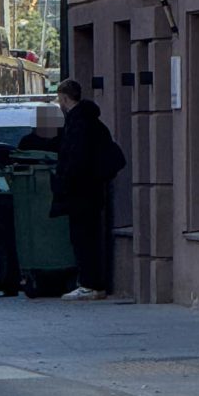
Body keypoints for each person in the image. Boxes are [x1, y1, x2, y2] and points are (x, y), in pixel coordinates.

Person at [51, 78, 125, 301]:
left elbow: (74, 159)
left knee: (83, 238)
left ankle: (89, 284)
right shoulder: (94, 122)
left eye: (59, 99)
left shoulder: (77, 124)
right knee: (90, 237)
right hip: (93, 191)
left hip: (80, 192)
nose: (59, 103)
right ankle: (92, 283)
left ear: (64, 98)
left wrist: (64, 182)